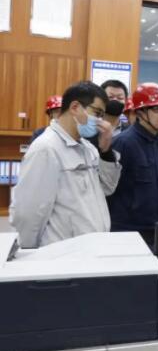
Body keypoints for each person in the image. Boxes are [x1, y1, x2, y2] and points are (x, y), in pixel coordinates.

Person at [10, 81, 121, 248]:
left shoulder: (88, 148)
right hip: (63, 252)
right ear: (75, 107)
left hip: (91, 248)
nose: (100, 122)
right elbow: (28, 211)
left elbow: (107, 188)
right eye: (97, 114)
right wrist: (29, 252)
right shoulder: (46, 148)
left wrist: (106, 151)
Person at [107, 82, 158, 247]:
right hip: (128, 232)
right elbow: (108, 188)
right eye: (156, 109)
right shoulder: (122, 143)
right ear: (140, 113)